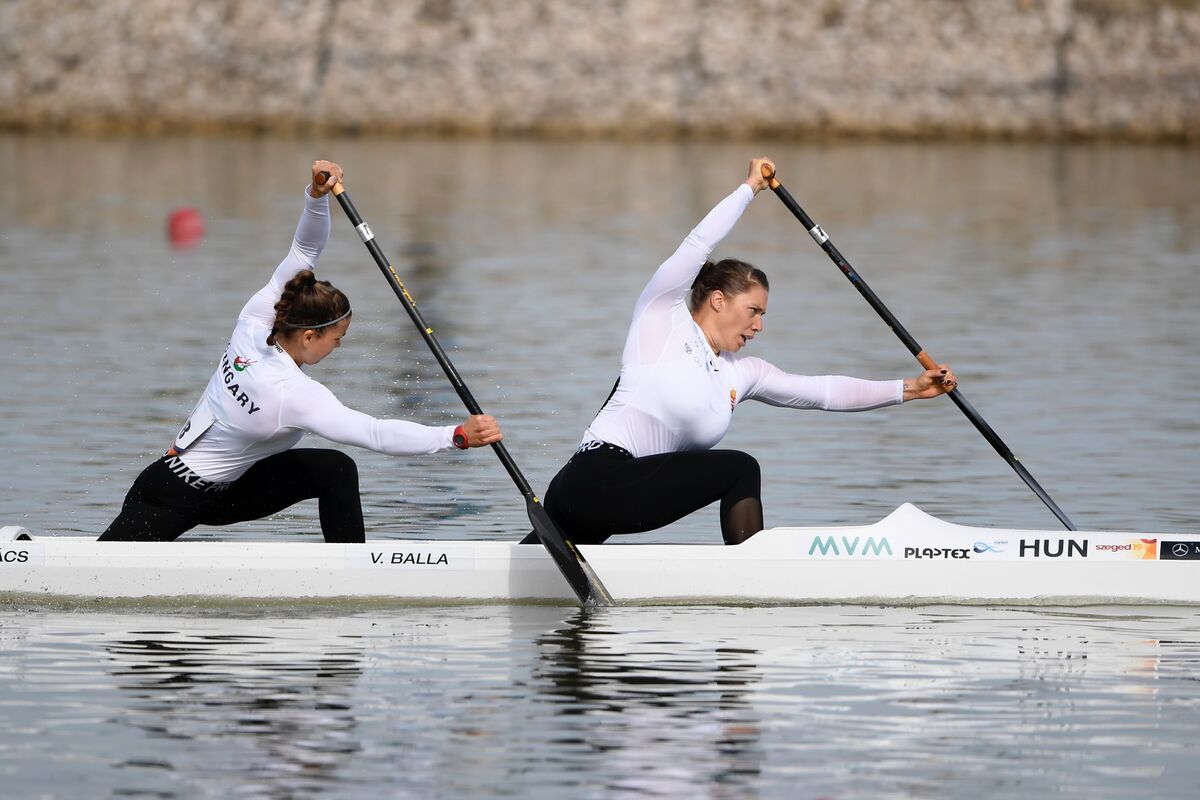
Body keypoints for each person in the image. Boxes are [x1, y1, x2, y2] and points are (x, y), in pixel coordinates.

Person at [528, 157, 957, 546]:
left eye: (763, 315)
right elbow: (697, 244)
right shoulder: (661, 317)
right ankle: (752, 573)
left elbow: (823, 392)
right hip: (589, 481)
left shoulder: (740, 373)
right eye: (753, 311)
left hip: (613, 498)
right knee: (739, 468)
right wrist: (749, 188)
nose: (759, 325)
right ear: (718, 300)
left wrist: (912, 390)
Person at [100, 160, 502, 543]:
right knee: (101, 570)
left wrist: (316, 196)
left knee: (335, 470)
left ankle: (350, 569)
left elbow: (303, 252)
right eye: (336, 338)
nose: (338, 347)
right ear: (309, 336)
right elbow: (375, 434)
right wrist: (456, 436)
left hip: (221, 488)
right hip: (170, 495)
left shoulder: (255, 320)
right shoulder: (292, 394)